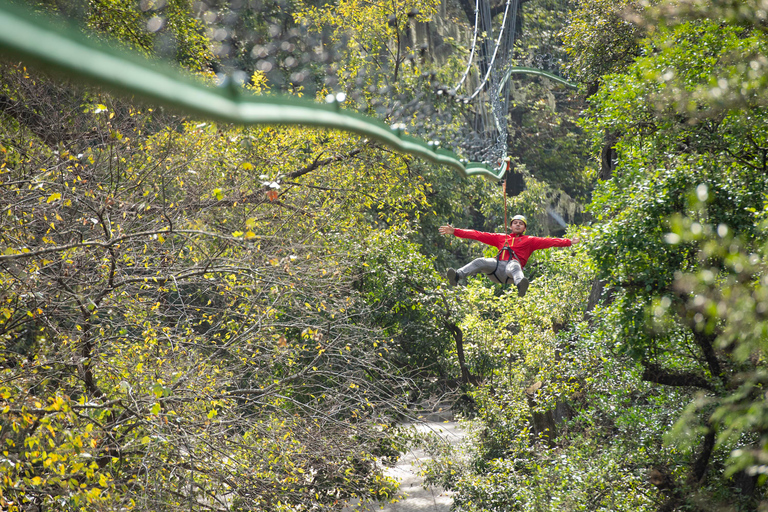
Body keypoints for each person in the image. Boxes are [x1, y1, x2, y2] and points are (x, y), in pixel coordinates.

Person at [438, 215, 577, 297]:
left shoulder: (530, 240)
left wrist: (569, 242)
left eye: (520, 224)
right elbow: (478, 234)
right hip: (497, 268)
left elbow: (550, 241)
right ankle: (457, 276)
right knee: (480, 261)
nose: (517, 225)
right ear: (511, 226)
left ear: (524, 228)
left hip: (510, 273)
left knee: (514, 264)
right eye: (515, 223)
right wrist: (455, 231)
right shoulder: (501, 238)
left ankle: (520, 285)